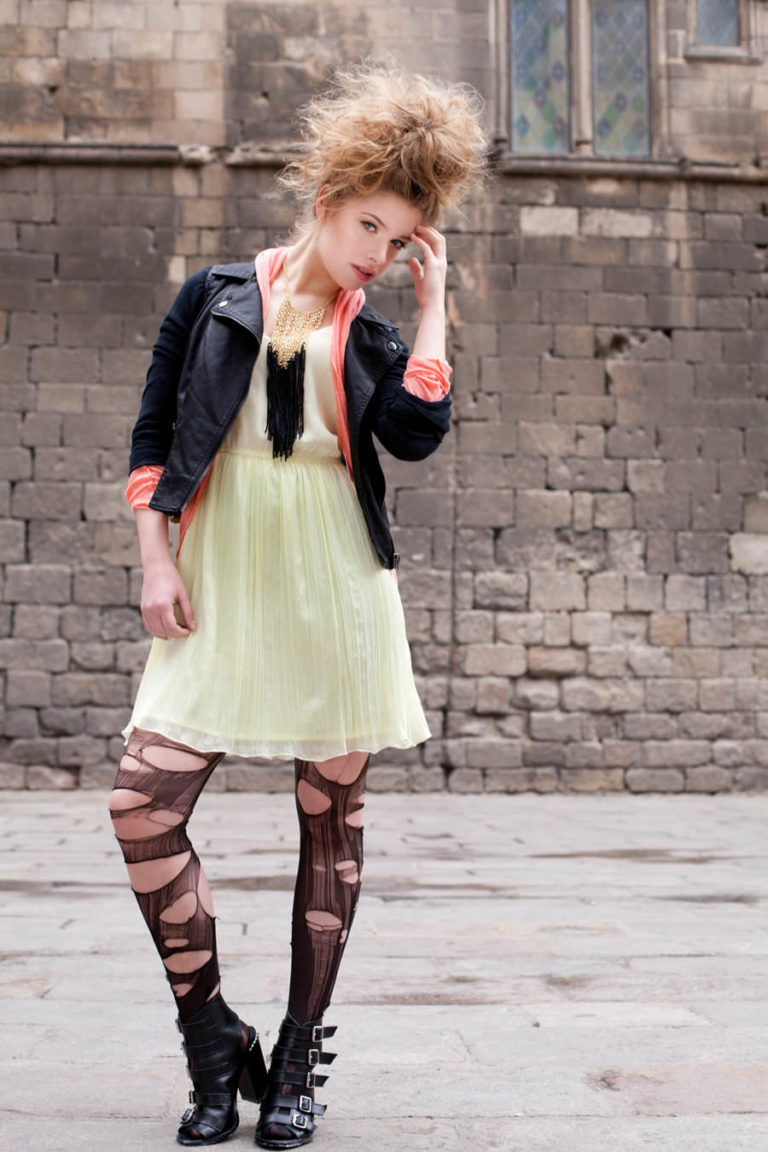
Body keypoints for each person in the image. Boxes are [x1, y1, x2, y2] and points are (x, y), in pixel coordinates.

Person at [109, 63, 487, 1149]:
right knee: (142, 806)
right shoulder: (214, 296)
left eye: (399, 239)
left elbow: (415, 436)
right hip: (223, 574)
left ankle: (296, 1062)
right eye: (367, 225)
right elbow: (151, 436)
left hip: (336, 586)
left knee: (332, 822)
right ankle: (211, 1038)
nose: (376, 250)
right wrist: (156, 561)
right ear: (325, 199)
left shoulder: (374, 331)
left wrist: (432, 308)